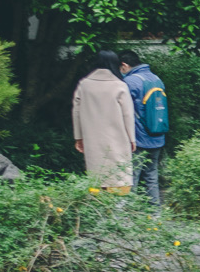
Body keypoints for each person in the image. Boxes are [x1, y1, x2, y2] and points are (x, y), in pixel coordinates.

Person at [71, 50, 136, 192]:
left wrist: (78, 137)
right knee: (119, 176)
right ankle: (117, 210)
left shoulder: (84, 84)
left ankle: (97, 207)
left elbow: (76, 111)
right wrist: (132, 139)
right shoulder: (119, 85)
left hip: (92, 139)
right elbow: (128, 115)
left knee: (96, 175)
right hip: (118, 139)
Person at [117, 49, 167, 205]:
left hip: (139, 138)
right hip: (157, 135)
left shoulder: (130, 82)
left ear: (124, 65)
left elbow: (122, 110)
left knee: (131, 176)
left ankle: (125, 215)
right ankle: (155, 212)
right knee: (152, 175)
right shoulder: (156, 79)